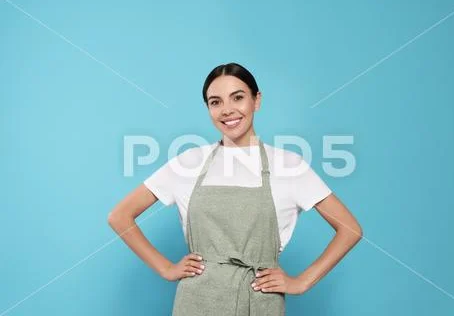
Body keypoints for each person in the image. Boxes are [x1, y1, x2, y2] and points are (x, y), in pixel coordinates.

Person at [108, 62, 363, 315]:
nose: (227, 110)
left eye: (237, 98)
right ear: (208, 108)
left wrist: (302, 281)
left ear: (256, 100)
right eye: (215, 102)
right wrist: (166, 268)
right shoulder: (188, 162)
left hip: (260, 301)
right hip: (196, 301)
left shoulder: (289, 165)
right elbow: (119, 216)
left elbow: (350, 230)